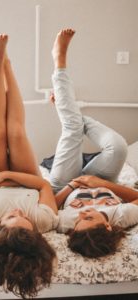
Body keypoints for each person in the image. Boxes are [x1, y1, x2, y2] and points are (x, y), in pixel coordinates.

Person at [0, 35, 58, 298]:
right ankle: (7, 62)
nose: (18, 210)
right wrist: (10, 175)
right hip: (25, 177)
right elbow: (44, 184)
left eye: (12, 215)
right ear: (34, 231)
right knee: (17, 132)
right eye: (24, 216)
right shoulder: (44, 221)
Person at [49, 28, 138, 258]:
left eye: (78, 221)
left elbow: (48, 206)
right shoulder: (121, 217)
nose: (81, 215)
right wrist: (99, 182)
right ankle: (65, 109)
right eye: (88, 218)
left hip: (66, 183)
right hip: (104, 181)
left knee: (72, 129)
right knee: (118, 146)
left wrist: (73, 187)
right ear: (108, 226)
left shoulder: (68, 223)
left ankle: (59, 61)